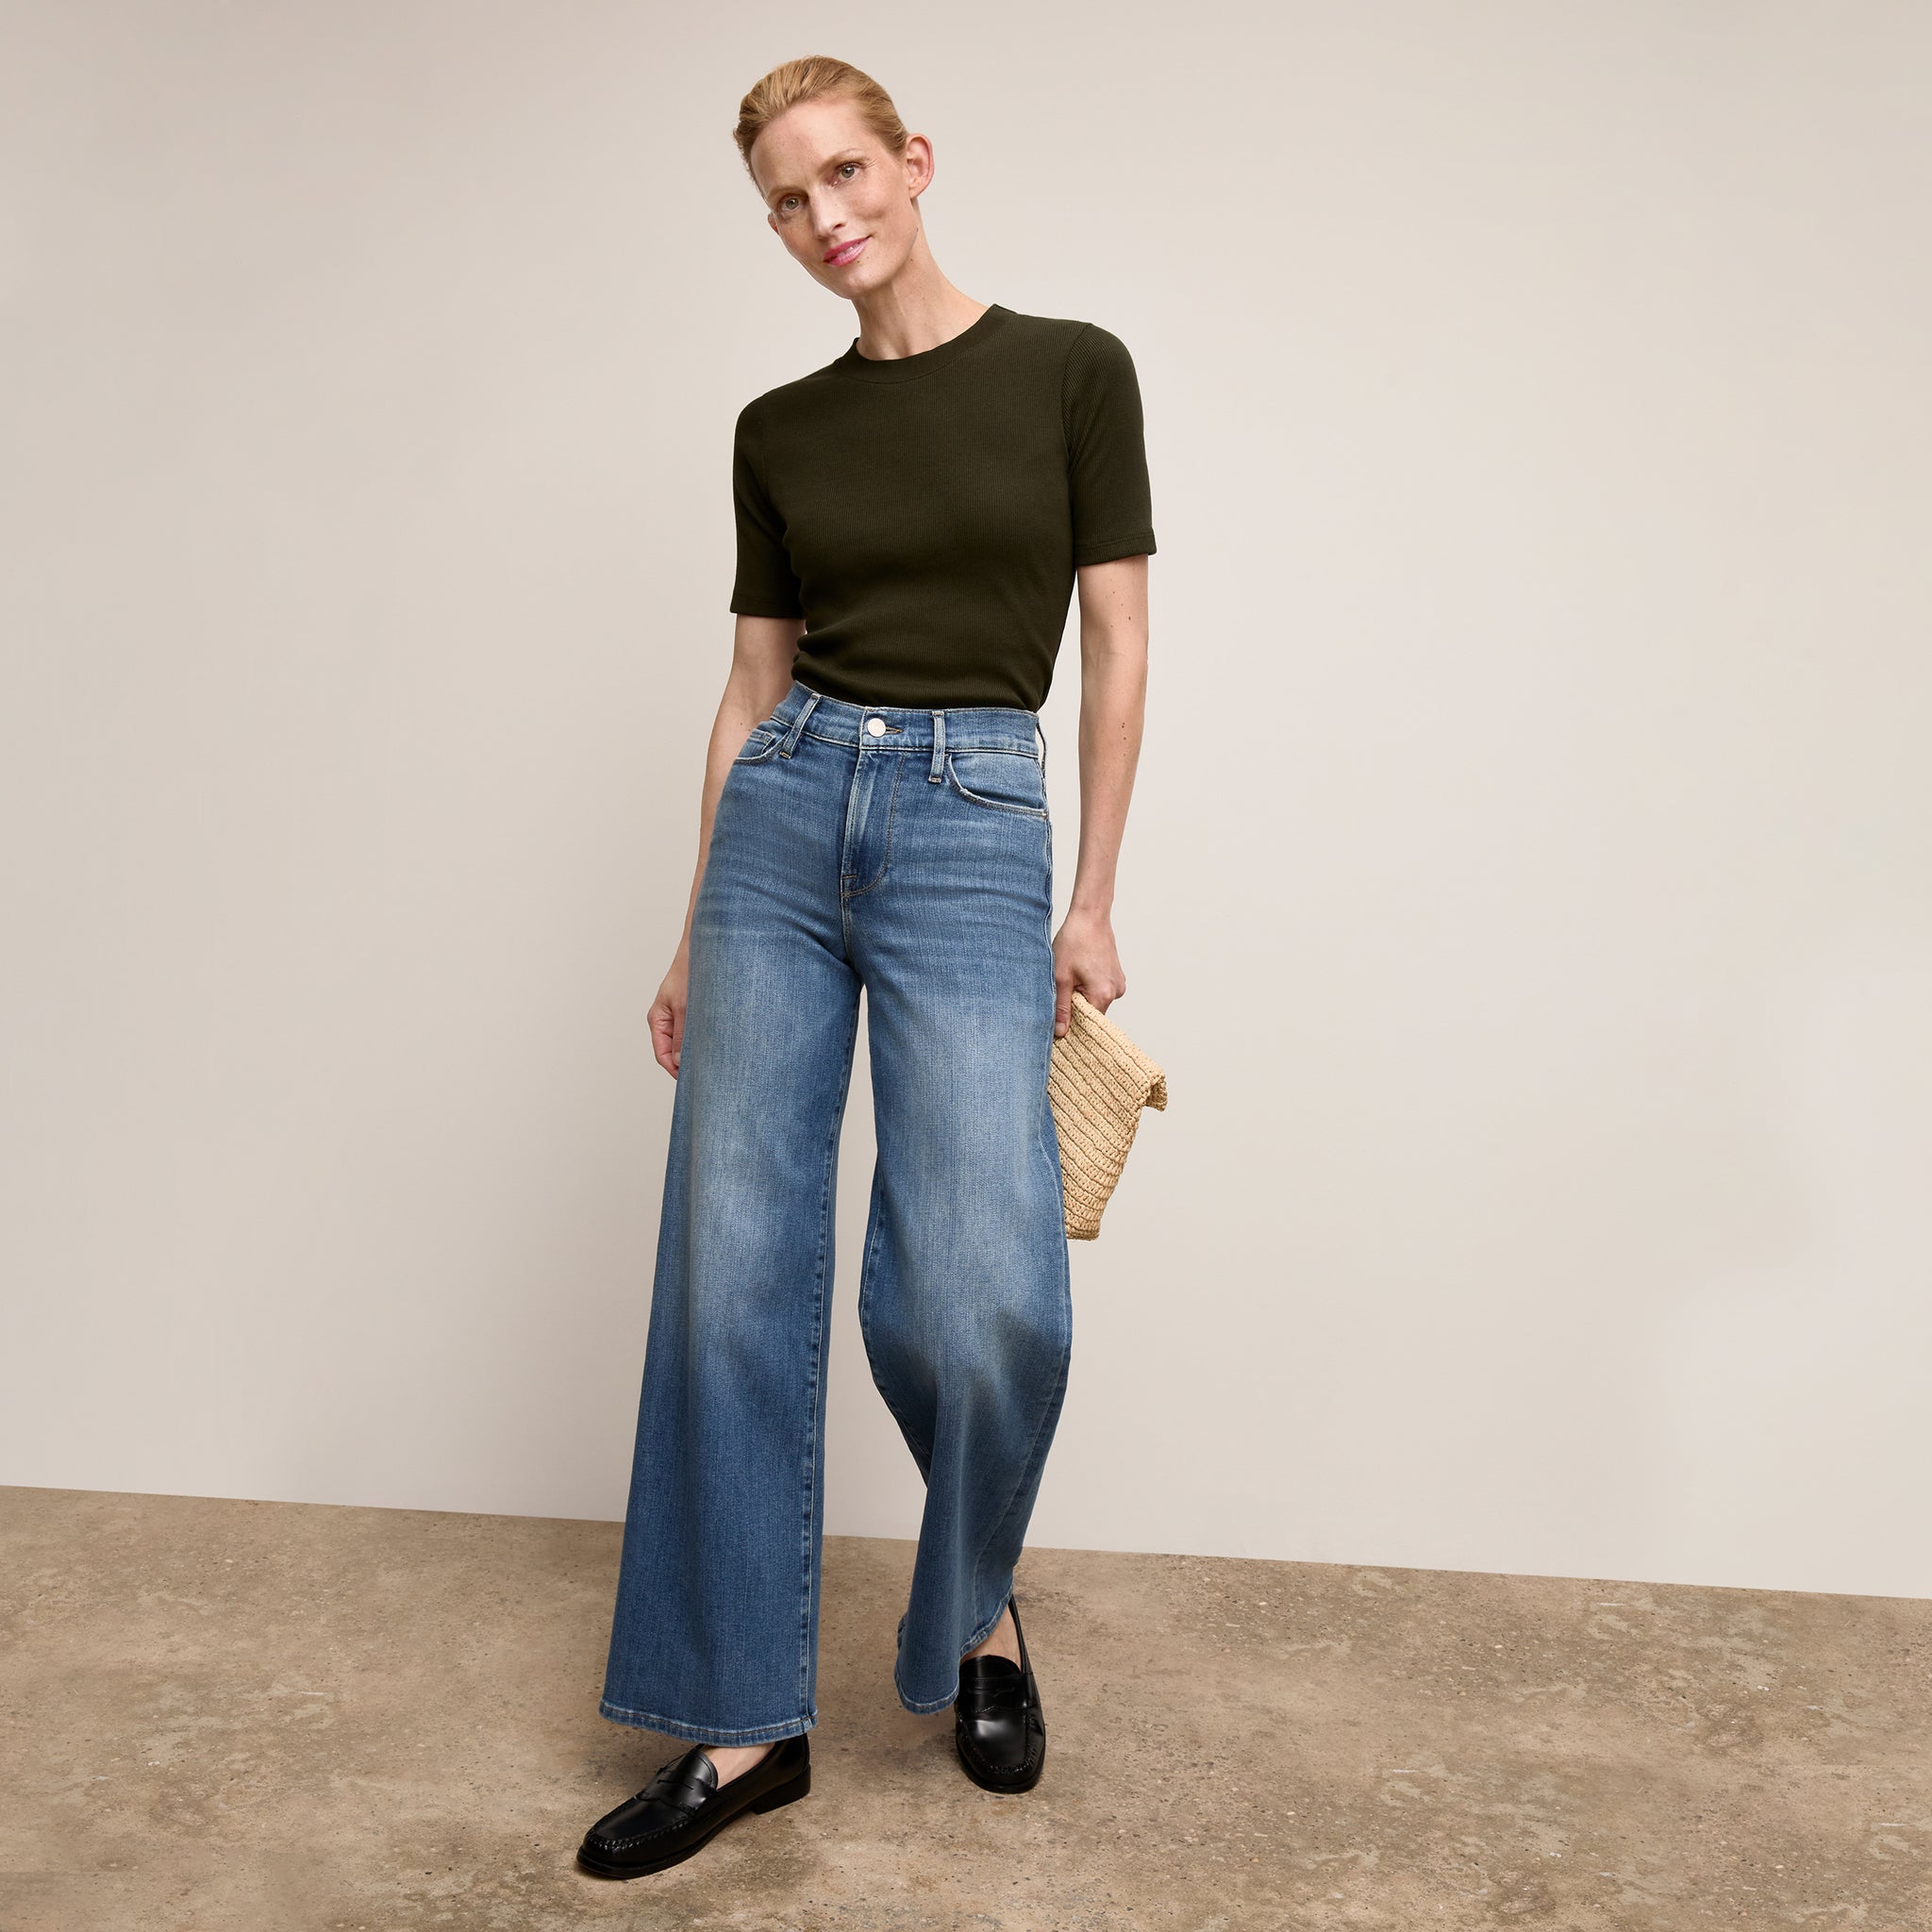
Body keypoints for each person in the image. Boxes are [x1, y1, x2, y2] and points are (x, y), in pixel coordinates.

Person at [576, 55, 1155, 1880]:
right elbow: (750, 690)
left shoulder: (1073, 370)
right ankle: (743, 1722)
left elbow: (1121, 649)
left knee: (982, 1286)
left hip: (979, 814)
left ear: (916, 161)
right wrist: (692, 923)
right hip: (783, 818)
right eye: (785, 198)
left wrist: (1096, 895)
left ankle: (976, 1611)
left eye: (846, 174)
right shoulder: (779, 429)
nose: (825, 219)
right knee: (731, 1264)